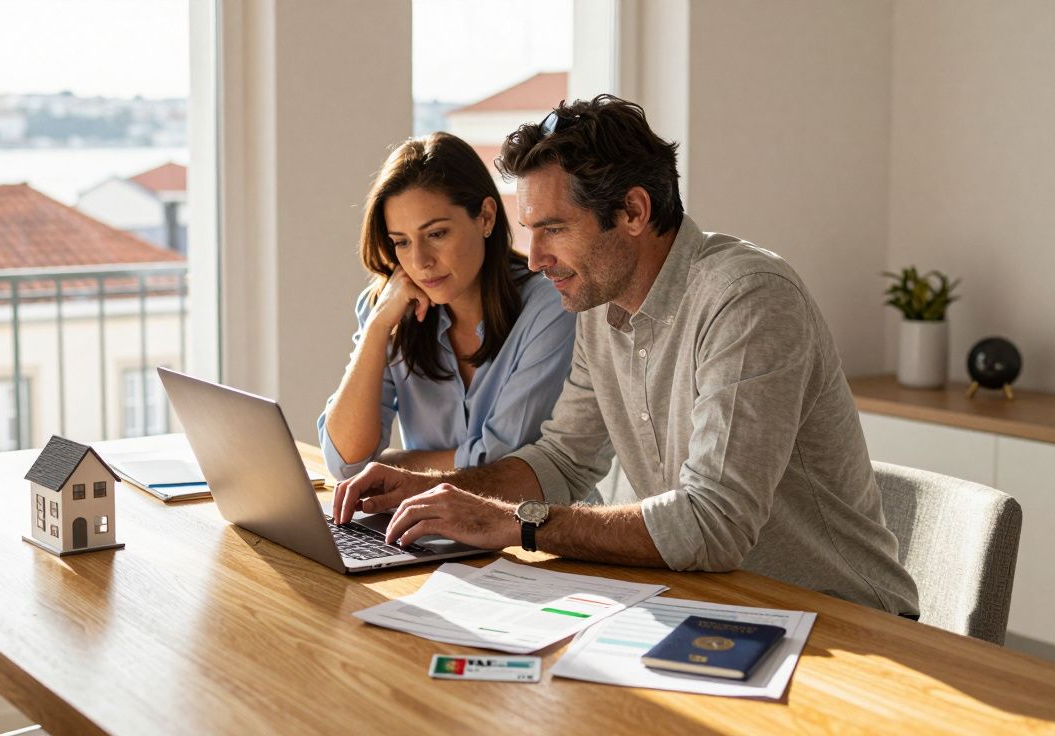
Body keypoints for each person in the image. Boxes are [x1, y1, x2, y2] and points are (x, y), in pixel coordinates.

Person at [333, 96, 919, 616]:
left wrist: (514, 522)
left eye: (554, 229)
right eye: (530, 231)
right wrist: (436, 491)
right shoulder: (598, 305)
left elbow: (713, 523)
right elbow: (563, 460)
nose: (534, 259)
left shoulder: (747, 298)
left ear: (634, 212)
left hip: (839, 619)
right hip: (708, 604)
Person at [317, 132, 575, 481]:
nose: (420, 262)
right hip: (419, 516)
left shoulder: (550, 308)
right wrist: (377, 327)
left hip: (530, 516)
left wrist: (389, 465)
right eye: (402, 242)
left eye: (436, 234)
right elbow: (344, 462)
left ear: (485, 217)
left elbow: (501, 463)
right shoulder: (389, 310)